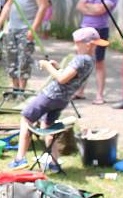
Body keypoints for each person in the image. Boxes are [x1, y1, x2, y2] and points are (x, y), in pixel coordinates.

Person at [9, 28, 108, 170]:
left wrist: (47, 66)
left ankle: (20, 158)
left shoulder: (81, 59)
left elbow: (61, 79)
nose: (75, 47)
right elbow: (70, 77)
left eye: (77, 44)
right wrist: (58, 67)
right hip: (62, 100)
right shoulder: (91, 60)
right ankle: (54, 162)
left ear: (87, 45)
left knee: (26, 118)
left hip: (50, 96)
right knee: (48, 127)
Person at [73, 0, 120, 104]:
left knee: (99, 62)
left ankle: (100, 95)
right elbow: (79, 6)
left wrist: (89, 7)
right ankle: (79, 91)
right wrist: (92, 8)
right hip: (84, 29)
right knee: (81, 61)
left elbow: (101, 10)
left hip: (100, 30)